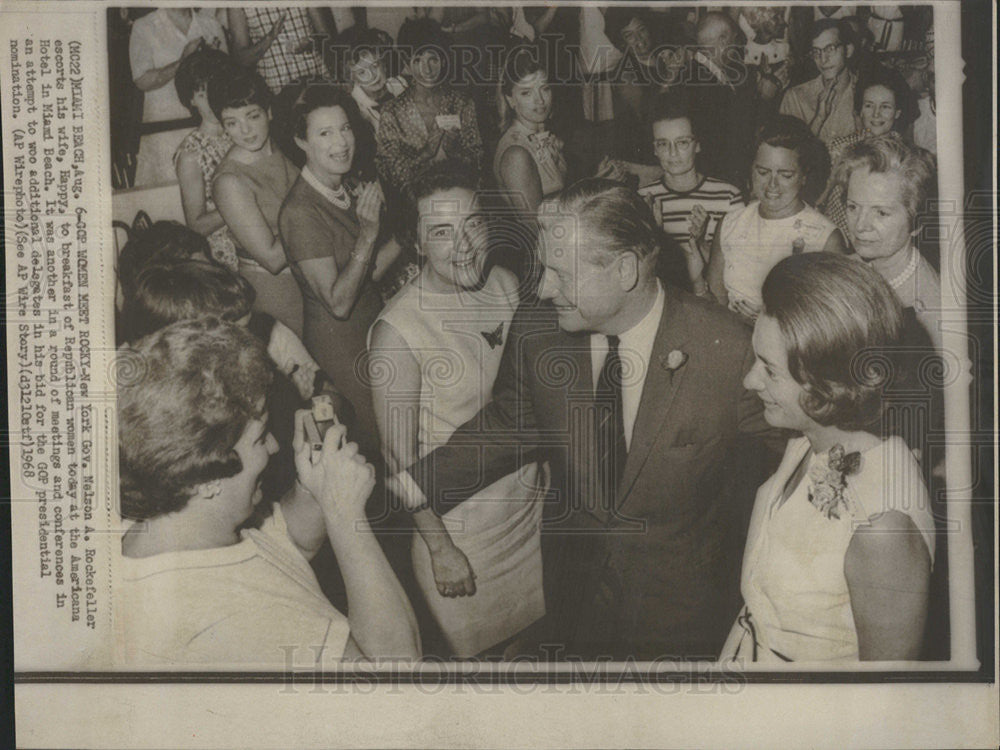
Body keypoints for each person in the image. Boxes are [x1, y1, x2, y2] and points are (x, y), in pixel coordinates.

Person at [391, 179, 777, 660]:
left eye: (560, 274)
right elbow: (506, 426)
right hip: (577, 600)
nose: (544, 289)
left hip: (680, 613)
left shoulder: (729, 349)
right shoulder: (539, 333)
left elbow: (777, 476)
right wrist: (398, 487)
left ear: (625, 270)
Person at [117, 318, 420, 667]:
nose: (274, 446)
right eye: (260, 437)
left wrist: (315, 484)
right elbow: (399, 670)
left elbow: (287, 545)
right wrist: (346, 514)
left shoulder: (170, 526)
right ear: (205, 475)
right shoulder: (230, 618)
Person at [369, 163, 547, 657]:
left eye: (472, 223)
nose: (464, 244)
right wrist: (440, 548)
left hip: (531, 518)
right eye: (442, 232)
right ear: (417, 243)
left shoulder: (504, 283)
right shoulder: (397, 332)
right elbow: (396, 457)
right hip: (464, 539)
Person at [723, 253, 934, 663]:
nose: (750, 381)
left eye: (769, 370)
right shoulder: (808, 441)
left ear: (831, 384)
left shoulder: (883, 528)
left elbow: (884, 692)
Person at [278, 86, 401, 458]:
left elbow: (366, 275)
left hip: (369, 333)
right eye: (325, 133)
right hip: (341, 350)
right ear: (301, 141)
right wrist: (369, 234)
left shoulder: (341, 188)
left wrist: (406, 233)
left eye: (345, 128)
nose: (341, 142)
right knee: (374, 448)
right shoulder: (301, 211)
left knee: (393, 440)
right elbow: (339, 302)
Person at [703, 116, 846, 323]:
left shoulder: (825, 238)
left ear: (804, 176)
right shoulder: (730, 224)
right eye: (763, 172)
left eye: (785, 175)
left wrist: (768, 323)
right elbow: (715, 303)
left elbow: (832, 321)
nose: (772, 184)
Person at [210, 67, 304, 337]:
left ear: (269, 112)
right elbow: (272, 259)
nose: (245, 130)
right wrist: (321, 211)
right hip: (277, 291)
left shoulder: (277, 145)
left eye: (253, 116)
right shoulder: (229, 181)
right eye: (232, 122)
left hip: (308, 274)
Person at [838, 134, 941, 352]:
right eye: (853, 207)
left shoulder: (929, 307)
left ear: (916, 221)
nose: (860, 225)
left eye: (881, 213)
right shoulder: (846, 268)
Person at [637, 94, 744, 289]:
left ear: (697, 145)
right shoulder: (642, 199)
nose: (672, 153)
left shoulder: (728, 196)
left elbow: (738, 271)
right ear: (655, 149)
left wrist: (701, 243)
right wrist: (655, 235)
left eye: (682, 142)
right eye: (663, 144)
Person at [375, 18, 483, 199]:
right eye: (418, 60)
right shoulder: (392, 112)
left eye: (433, 59)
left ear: (443, 60)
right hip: (414, 204)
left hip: (459, 197)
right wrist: (426, 153)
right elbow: (389, 172)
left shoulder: (461, 103)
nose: (427, 69)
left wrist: (454, 152)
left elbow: (478, 160)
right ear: (407, 64)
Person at [128, 7, 227, 187]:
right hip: (164, 131)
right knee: (168, 195)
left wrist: (211, 61)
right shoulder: (144, 26)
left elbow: (227, 75)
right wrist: (183, 62)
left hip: (209, 128)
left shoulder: (210, 24)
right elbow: (142, 81)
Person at [820, 66, 917, 237]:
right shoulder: (838, 148)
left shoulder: (906, 157)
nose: (876, 114)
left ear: (897, 113)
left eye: (885, 107)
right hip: (838, 240)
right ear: (860, 110)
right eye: (869, 106)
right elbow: (819, 200)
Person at [173, 47, 239, 271]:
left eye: (217, 90)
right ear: (191, 99)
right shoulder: (190, 153)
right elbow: (196, 225)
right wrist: (243, 204)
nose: (212, 101)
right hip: (225, 258)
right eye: (202, 95)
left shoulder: (241, 132)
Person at [681, 11, 759, 187]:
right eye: (735, 40)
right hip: (719, 181)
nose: (737, 46)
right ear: (723, 40)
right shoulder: (700, 83)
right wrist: (765, 97)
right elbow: (734, 136)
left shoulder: (704, 73)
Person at [494, 48, 567, 211]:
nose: (540, 100)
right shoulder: (516, 154)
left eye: (545, 89)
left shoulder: (544, 137)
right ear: (511, 100)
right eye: (526, 93)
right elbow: (535, 223)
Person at [779, 18, 858, 145]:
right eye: (816, 52)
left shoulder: (866, 94)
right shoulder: (795, 97)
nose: (823, 59)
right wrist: (819, 119)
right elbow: (788, 151)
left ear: (848, 50)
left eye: (830, 49)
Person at [227, 7, 334, 95]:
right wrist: (270, 37)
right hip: (275, 89)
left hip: (316, 79)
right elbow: (241, 58)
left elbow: (326, 36)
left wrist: (310, 42)